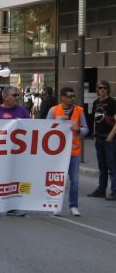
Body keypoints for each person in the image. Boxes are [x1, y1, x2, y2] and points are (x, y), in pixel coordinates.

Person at [0, 86, 29, 217]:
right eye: (14, 95)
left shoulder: (22, 111)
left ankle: (12, 207)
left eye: (17, 95)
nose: (17, 97)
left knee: (13, 179)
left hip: (16, 154)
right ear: (5, 97)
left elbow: (31, 128)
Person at [46, 87, 88, 216]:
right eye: (70, 96)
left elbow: (86, 129)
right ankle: (56, 205)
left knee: (74, 181)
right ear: (63, 97)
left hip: (74, 152)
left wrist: (79, 130)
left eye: (73, 96)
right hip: (58, 152)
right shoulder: (53, 110)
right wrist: (57, 123)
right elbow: (45, 128)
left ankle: (73, 206)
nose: (72, 99)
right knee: (58, 180)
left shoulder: (79, 111)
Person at [89, 81, 116, 199]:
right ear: (97, 89)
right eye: (100, 87)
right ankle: (101, 189)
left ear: (108, 89)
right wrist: (95, 132)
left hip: (109, 139)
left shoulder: (112, 103)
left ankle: (115, 191)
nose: (102, 89)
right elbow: (95, 118)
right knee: (102, 165)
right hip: (99, 137)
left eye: (105, 88)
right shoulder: (95, 103)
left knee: (112, 165)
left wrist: (111, 136)